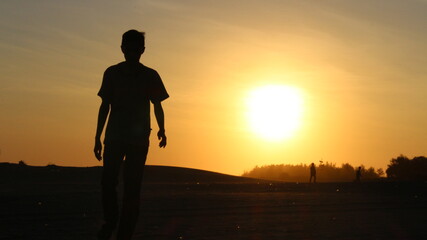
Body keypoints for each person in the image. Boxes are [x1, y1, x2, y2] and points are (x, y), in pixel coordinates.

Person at [94, 29, 169, 240]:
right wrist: (97, 136)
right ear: (122, 48)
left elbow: (157, 105)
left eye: (136, 48)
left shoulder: (150, 75)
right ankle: (112, 220)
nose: (132, 52)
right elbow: (104, 106)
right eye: (128, 48)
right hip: (114, 136)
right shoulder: (111, 73)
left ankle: (125, 231)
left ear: (142, 50)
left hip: (138, 140)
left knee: (132, 187)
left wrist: (162, 130)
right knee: (108, 182)